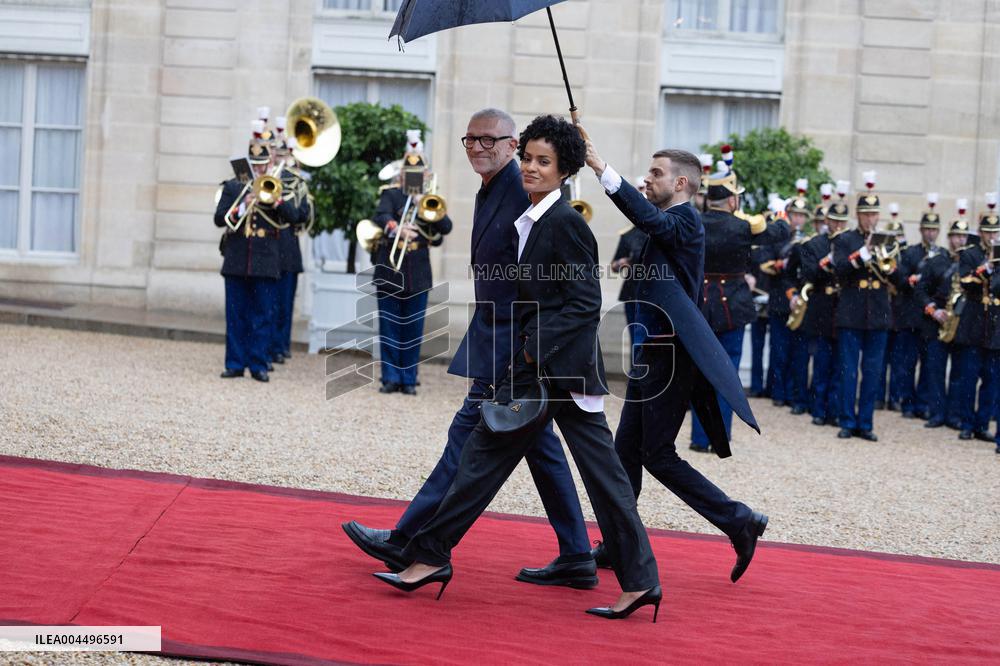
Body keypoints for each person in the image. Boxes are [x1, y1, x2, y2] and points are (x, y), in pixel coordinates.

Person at [375, 115, 661, 621]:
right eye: (527, 157)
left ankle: (639, 582)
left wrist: (530, 351)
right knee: (482, 462)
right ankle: (430, 556)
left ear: (564, 170)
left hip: (559, 372)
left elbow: (584, 303)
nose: (530, 167)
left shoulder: (566, 223)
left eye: (543, 161)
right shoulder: (531, 217)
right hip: (538, 370)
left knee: (603, 479)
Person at [344, 109, 594, 591]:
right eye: (470, 139)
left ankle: (408, 538)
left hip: (515, 340)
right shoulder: (493, 186)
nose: (478, 147)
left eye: (489, 140)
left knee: (467, 437)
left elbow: (550, 264)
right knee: (541, 449)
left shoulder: (524, 187)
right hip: (498, 331)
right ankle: (579, 554)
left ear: (512, 143)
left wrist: (529, 342)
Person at [580, 139, 768, 585]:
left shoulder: (685, 222)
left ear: (681, 183)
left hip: (671, 357)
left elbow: (645, 217)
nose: (647, 178)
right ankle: (619, 541)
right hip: (653, 353)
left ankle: (738, 519)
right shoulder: (669, 221)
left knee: (657, 456)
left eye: (656, 173)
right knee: (625, 452)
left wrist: (601, 167)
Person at [689, 168, 788, 451]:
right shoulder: (744, 226)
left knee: (702, 373)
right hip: (733, 305)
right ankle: (721, 437)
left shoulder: (695, 222)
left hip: (700, 306)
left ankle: (699, 437)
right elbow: (780, 232)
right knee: (728, 373)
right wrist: (779, 211)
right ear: (732, 200)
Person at [214, 122, 302, 382]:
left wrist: (276, 201)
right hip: (238, 257)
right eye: (255, 163)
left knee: (263, 315)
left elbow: (295, 217)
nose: (260, 168)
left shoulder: (279, 186)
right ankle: (234, 363)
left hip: (266, 259)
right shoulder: (233, 187)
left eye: (263, 164)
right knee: (236, 314)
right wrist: (244, 203)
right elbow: (219, 219)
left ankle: (258, 364)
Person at [371, 133, 453, 395]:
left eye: (418, 171)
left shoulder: (430, 200)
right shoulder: (392, 194)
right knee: (390, 326)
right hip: (390, 268)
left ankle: (408, 379)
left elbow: (445, 228)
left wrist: (422, 205)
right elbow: (380, 215)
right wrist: (396, 228)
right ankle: (390, 378)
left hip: (418, 270)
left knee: (413, 329)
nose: (413, 175)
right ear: (402, 172)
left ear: (425, 173)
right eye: (410, 171)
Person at [832, 180, 894, 441]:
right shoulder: (845, 239)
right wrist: (863, 254)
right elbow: (840, 271)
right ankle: (847, 420)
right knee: (848, 369)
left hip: (878, 313)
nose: (870, 218)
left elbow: (898, 278)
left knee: (872, 372)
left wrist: (888, 263)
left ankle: (865, 423)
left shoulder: (888, 240)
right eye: (866, 214)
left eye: (874, 214)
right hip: (851, 311)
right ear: (858, 215)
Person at [914, 217, 969, 429]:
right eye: (956, 236)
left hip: (961, 325)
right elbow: (920, 290)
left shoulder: (970, 262)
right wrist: (933, 310)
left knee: (958, 372)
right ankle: (936, 413)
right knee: (934, 371)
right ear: (949, 238)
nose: (960, 240)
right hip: (936, 324)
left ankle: (953, 415)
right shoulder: (937, 261)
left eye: (963, 236)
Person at [951, 208, 999, 441]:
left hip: (994, 324)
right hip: (973, 321)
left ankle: (982, 424)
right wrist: (987, 267)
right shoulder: (970, 254)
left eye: (995, 232)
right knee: (969, 377)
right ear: (980, 233)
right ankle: (967, 422)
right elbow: (965, 281)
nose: (991, 237)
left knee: (991, 379)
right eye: (987, 232)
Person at [799, 202, 849, 426]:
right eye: (834, 220)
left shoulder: (849, 244)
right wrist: (825, 265)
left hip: (844, 307)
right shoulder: (814, 244)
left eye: (841, 221)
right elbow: (809, 273)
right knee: (821, 362)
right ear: (826, 221)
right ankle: (818, 409)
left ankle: (835, 410)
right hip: (822, 307)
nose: (838, 225)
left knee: (841, 365)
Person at [888, 206, 940, 419]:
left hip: (929, 319)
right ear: (920, 230)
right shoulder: (910, 253)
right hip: (909, 315)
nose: (930, 233)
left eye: (933, 229)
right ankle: (907, 403)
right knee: (906, 364)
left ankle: (922, 403)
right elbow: (898, 280)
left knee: (929, 365)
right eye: (926, 228)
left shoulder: (942, 255)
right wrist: (910, 281)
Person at [759, 196, 810, 409]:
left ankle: (795, 394)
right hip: (780, 300)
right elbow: (765, 265)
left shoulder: (808, 240)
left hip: (802, 301)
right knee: (780, 350)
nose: (798, 220)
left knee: (799, 352)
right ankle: (778, 392)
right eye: (795, 215)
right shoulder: (778, 238)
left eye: (801, 216)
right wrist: (782, 264)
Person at [611, 178, 650, 350]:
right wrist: (623, 262)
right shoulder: (628, 235)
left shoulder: (657, 232)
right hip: (632, 292)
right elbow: (614, 265)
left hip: (652, 293)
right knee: (636, 340)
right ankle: (636, 375)